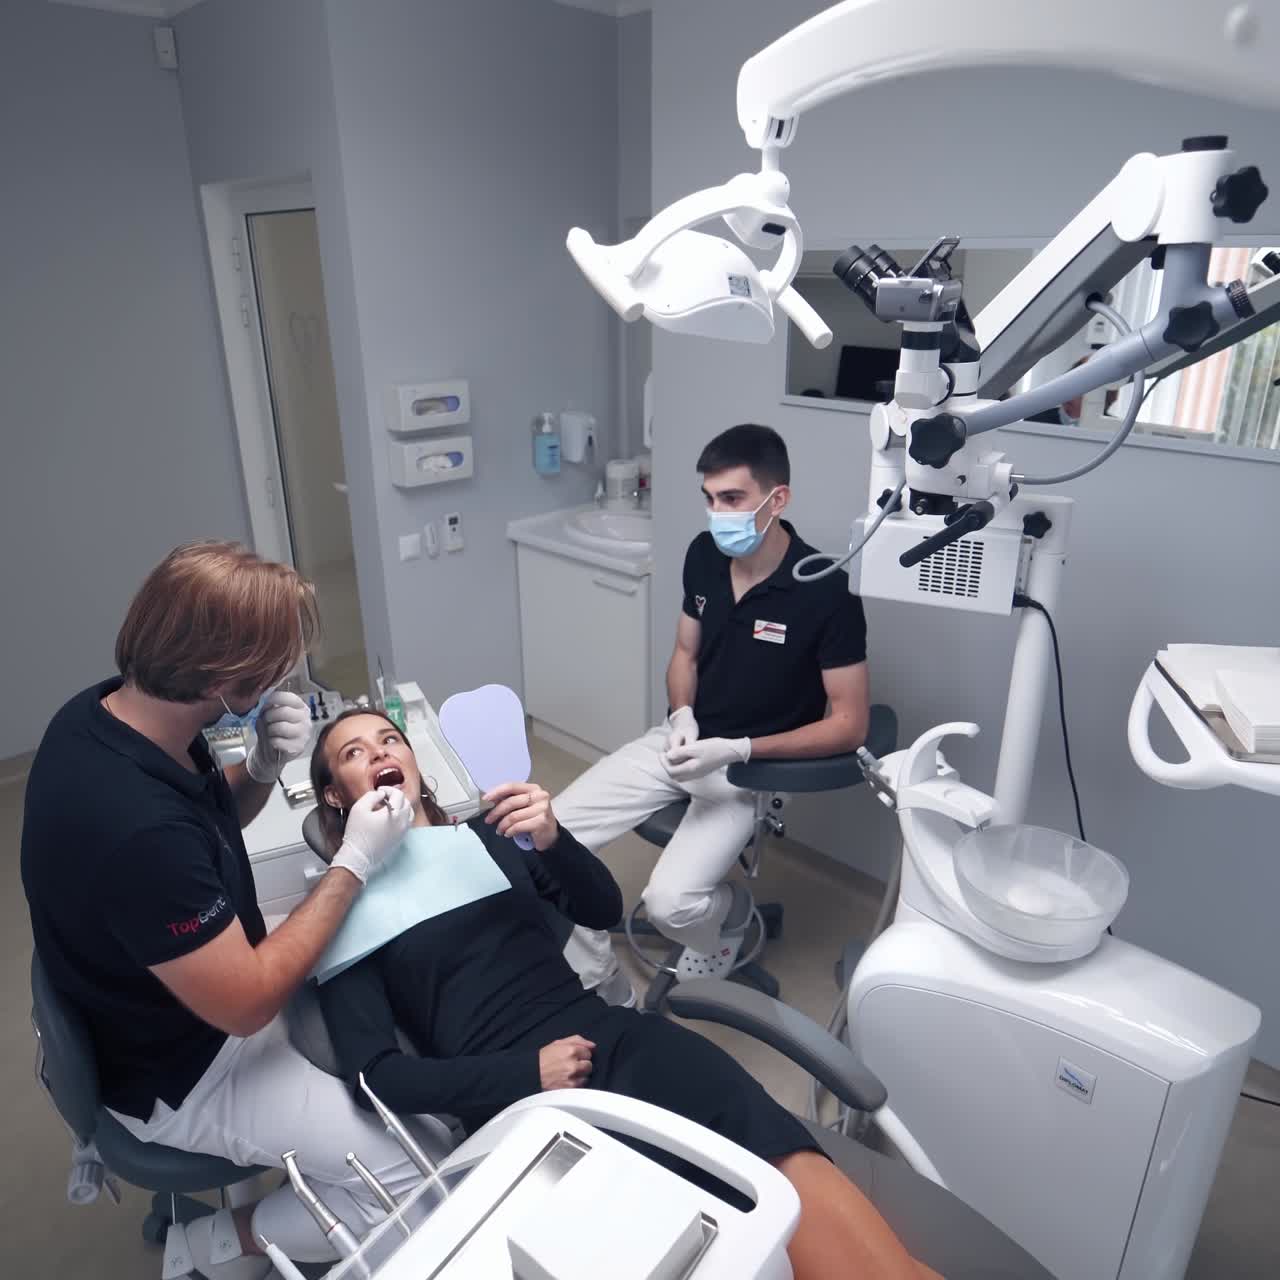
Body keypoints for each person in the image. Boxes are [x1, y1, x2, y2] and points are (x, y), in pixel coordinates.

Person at [311, 709, 940, 1280]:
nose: (378, 752)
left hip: (614, 1039)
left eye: (389, 739)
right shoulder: (342, 909)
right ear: (335, 796)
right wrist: (524, 1073)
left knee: (763, 1153)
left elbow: (603, 907)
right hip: (521, 1107)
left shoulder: (489, 837)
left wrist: (556, 840)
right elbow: (379, 1079)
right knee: (675, 1239)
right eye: (353, 753)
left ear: (416, 767)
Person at [21, 542, 438, 1276]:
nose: (287, 674)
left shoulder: (112, 712)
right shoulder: (133, 826)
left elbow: (209, 826)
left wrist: (260, 771)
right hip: (190, 1064)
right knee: (415, 1179)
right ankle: (207, 1244)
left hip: (174, 988)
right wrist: (354, 861)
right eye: (278, 663)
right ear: (225, 678)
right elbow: (244, 1004)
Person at [556, 424, 870, 1001]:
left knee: (671, 904)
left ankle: (728, 916)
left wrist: (742, 750)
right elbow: (684, 653)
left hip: (752, 769)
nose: (715, 512)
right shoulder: (704, 556)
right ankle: (601, 985)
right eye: (709, 497)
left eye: (732, 498)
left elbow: (850, 724)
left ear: (778, 500)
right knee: (549, 841)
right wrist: (681, 715)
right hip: (682, 742)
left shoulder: (825, 590)